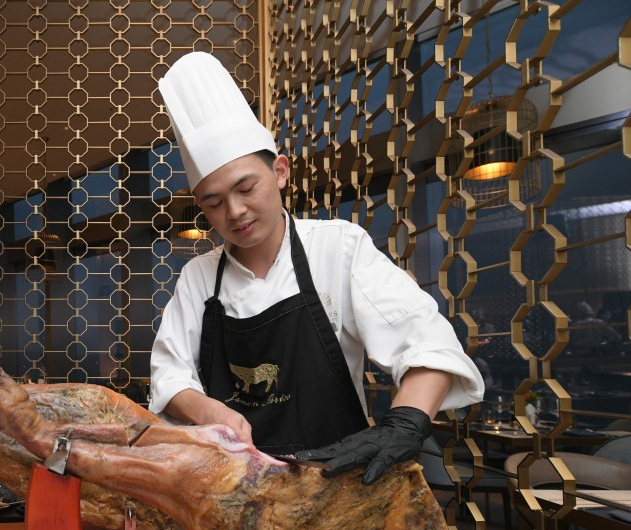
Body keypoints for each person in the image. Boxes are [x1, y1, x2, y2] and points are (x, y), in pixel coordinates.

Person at [149, 52, 484, 485]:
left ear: (281, 172)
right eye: (214, 203)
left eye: (246, 187)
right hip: (231, 489)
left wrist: (405, 424)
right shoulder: (198, 277)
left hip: (336, 485)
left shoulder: (337, 248)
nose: (235, 211)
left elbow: (428, 344)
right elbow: (169, 375)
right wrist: (211, 411)